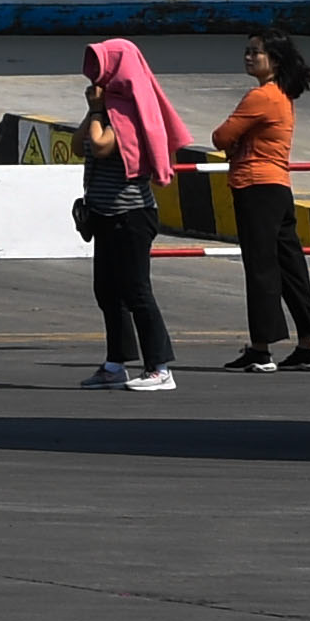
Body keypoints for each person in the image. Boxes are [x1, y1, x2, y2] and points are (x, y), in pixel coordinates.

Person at [82, 40, 189, 392]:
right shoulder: (107, 106)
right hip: (105, 213)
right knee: (107, 291)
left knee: (137, 290)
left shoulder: (127, 110)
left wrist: (99, 110)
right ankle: (116, 363)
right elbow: (79, 140)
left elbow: (100, 145)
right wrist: (94, 109)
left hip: (130, 214)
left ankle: (160, 367)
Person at [220, 33, 310, 373]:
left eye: (256, 53)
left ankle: (261, 349)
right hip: (278, 187)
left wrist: (235, 145)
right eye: (246, 52)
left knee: (261, 267)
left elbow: (220, 136)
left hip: (255, 187)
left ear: (274, 60)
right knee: (291, 267)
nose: (248, 57)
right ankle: (308, 344)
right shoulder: (283, 95)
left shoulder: (261, 96)